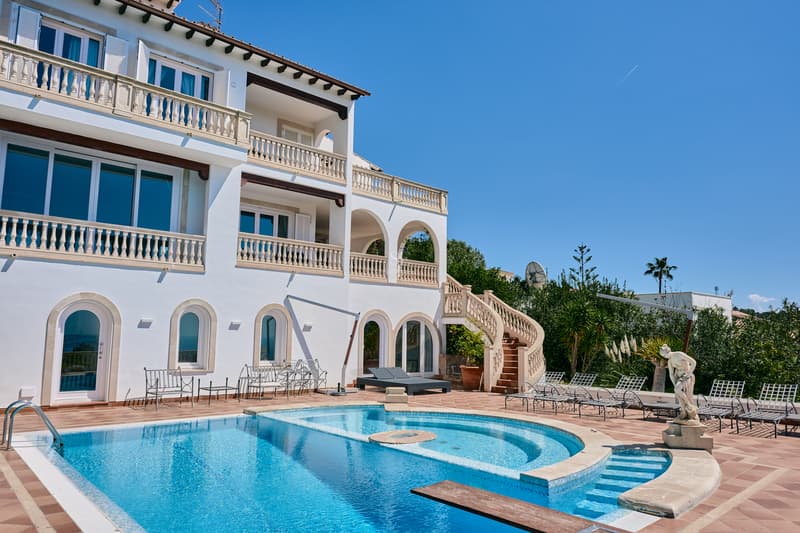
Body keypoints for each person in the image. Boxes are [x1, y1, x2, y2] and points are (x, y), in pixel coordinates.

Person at [659, 344, 700, 425]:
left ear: (667, 351)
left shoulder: (679, 354)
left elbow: (693, 362)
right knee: (677, 392)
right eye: (662, 355)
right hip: (679, 377)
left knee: (678, 390)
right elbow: (671, 374)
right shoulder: (670, 361)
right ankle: (684, 411)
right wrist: (674, 383)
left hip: (686, 376)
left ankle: (689, 405)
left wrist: (688, 374)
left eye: (664, 354)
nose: (664, 356)